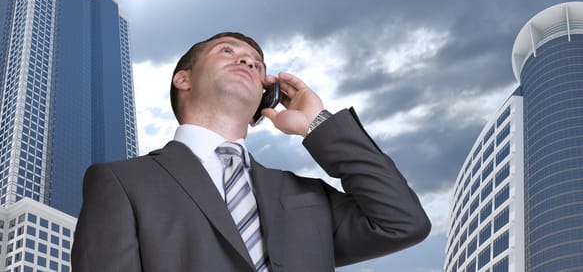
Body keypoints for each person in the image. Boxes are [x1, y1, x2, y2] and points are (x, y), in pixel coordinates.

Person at [71, 31, 431, 272]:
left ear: (265, 97)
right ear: (184, 79)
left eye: (257, 65)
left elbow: (402, 223)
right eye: (228, 51)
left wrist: (315, 123)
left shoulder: (305, 196)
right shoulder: (122, 181)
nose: (247, 62)